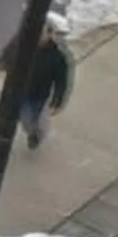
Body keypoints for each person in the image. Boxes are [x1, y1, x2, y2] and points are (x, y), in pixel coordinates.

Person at [20, 14, 76, 148]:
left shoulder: (57, 57)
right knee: (25, 120)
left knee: (36, 120)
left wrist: (57, 100)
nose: (39, 37)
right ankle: (32, 131)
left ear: (49, 34)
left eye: (42, 33)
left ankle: (36, 135)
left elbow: (61, 81)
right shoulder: (27, 49)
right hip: (23, 92)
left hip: (41, 96)